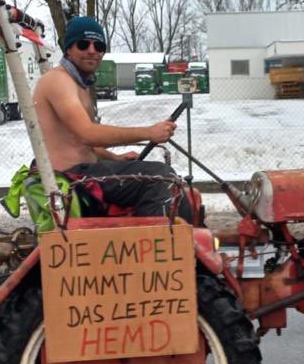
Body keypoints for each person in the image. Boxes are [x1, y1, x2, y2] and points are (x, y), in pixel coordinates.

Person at [32, 15, 193, 222]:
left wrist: (115, 158)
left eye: (98, 46)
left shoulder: (77, 84)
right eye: (83, 44)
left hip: (83, 173)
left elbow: (79, 140)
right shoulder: (58, 80)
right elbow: (88, 133)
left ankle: (185, 235)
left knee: (163, 178)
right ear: (69, 49)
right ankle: (163, 246)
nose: (92, 50)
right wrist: (148, 132)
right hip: (72, 178)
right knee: (161, 178)